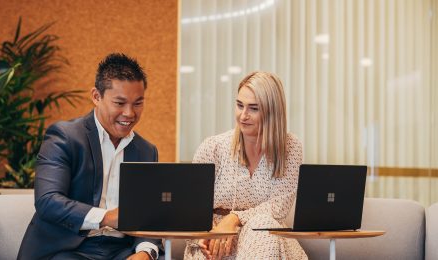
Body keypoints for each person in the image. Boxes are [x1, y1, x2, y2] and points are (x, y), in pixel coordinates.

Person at [17, 53, 161, 260]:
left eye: (138, 103)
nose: (129, 113)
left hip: (121, 250)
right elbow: (48, 201)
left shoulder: (146, 151)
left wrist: (146, 252)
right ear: (96, 96)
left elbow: (148, 214)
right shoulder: (64, 136)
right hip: (68, 250)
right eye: (119, 103)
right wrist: (106, 217)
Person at [183, 72, 307, 259]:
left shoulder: (290, 147)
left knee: (263, 225)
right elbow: (190, 206)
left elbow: (279, 207)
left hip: (264, 239)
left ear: (272, 111)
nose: (243, 115)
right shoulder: (213, 147)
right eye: (240, 105)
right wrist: (203, 236)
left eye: (254, 108)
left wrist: (235, 218)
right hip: (216, 238)